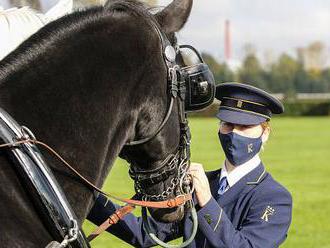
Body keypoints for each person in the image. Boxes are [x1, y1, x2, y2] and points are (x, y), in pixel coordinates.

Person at [87, 82, 293, 247]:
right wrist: (84, 196)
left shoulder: (275, 198)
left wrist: (207, 201)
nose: (234, 134)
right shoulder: (198, 184)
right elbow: (145, 234)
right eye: (228, 125)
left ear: (265, 133)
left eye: (245, 127)